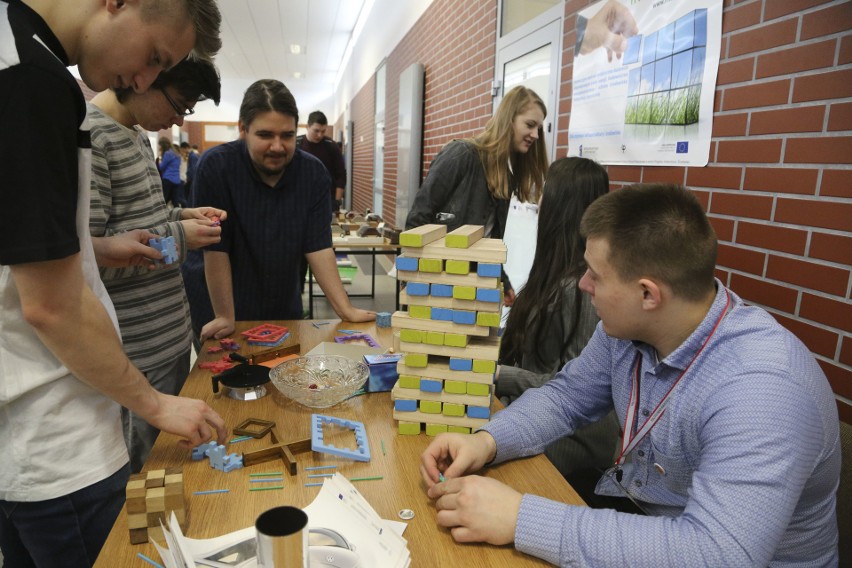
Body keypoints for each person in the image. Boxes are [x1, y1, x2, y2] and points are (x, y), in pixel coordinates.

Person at [421, 184, 840, 567]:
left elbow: (717, 554)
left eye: (595, 275)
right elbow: (566, 398)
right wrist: (487, 441)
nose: (583, 284)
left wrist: (520, 518)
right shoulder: (624, 329)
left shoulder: (762, 390)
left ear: (647, 294)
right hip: (647, 520)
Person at [0, 0, 226, 566]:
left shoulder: (29, 63)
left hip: (39, 435)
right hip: (57, 440)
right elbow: (51, 305)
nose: (146, 79)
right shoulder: (33, 81)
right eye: (154, 58)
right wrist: (152, 403)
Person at [88, 56, 226, 473]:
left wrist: (178, 219)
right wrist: (180, 238)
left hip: (166, 339)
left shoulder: (132, 133)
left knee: (169, 463)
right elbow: (86, 258)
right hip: (135, 351)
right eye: (179, 103)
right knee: (146, 472)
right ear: (143, 78)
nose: (175, 119)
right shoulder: (94, 137)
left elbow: (130, 227)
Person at [182, 79, 374, 344]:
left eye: (286, 135)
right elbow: (215, 248)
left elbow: (318, 246)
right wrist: (225, 315)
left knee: (283, 371)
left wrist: (346, 309)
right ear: (243, 129)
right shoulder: (216, 167)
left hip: (281, 296)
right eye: (265, 135)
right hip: (219, 300)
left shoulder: (313, 173)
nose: (277, 146)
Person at [496, 157, 620, 502]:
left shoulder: (580, 290)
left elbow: (574, 390)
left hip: (569, 446)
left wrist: (500, 375)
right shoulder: (551, 276)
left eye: (546, 196)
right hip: (535, 417)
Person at [405, 85, 549, 305]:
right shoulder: (461, 154)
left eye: (539, 128)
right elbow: (417, 221)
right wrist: (418, 280)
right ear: (508, 119)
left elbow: (489, 242)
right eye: (530, 125)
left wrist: (503, 282)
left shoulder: (505, 178)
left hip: (471, 288)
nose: (535, 135)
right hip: (438, 285)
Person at [297, 110, 347, 213]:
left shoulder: (331, 146)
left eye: (323, 131)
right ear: (307, 127)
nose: (320, 135)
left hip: (326, 201)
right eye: (316, 130)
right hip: (300, 199)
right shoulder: (296, 144)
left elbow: (341, 176)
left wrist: (336, 202)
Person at [159, 136, 185, 207]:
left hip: (168, 179)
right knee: (175, 201)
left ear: (163, 145)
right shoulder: (177, 154)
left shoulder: (167, 153)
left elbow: (162, 167)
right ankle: (179, 216)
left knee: (164, 199)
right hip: (176, 180)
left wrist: (159, 162)